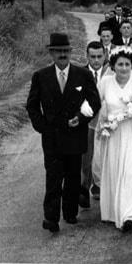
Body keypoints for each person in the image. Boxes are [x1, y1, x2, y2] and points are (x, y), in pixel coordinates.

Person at [26, 32, 101, 232]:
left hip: (75, 135)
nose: (62, 55)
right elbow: (32, 106)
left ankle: (70, 214)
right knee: (53, 179)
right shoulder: (40, 76)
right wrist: (42, 126)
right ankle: (51, 218)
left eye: (65, 51)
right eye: (58, 51)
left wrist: (82, 118)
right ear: (51, 53)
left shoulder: (83, 75)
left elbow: (95, 102)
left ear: (70, 53)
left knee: (72, 178)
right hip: (52, 137)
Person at [97, 47, 132, 232]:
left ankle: (130, 214)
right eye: (120, 64)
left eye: (127, 64)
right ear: (112, 65)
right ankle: (113, 211)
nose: (124, 68)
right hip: (113, 134)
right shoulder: (105, 82)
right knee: (114, 170)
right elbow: (96, 103)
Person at [81, 41, 109, 207]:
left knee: (104, 154)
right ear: (87, 56)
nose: (96, 60)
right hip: (88, 120)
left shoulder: (110, 73)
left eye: (99, 56)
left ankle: (100, 185)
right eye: (93, 57)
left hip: (106, 119)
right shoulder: (80, 73)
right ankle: (85, 188)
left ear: (104, 56)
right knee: (87, 155)